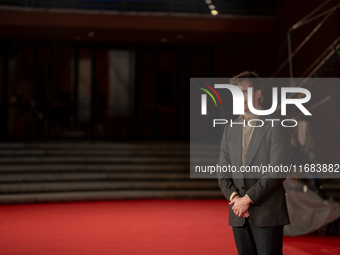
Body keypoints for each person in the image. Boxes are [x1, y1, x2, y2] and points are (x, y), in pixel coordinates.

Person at [217, 71, 291, 255]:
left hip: (267, 212)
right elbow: (223, 172)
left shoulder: (276, 124)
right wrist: (235, 199)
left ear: (257, 93)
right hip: (239, 215)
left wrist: (247, 200)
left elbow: (278, 170)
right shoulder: (230, 129)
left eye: (243, 91)